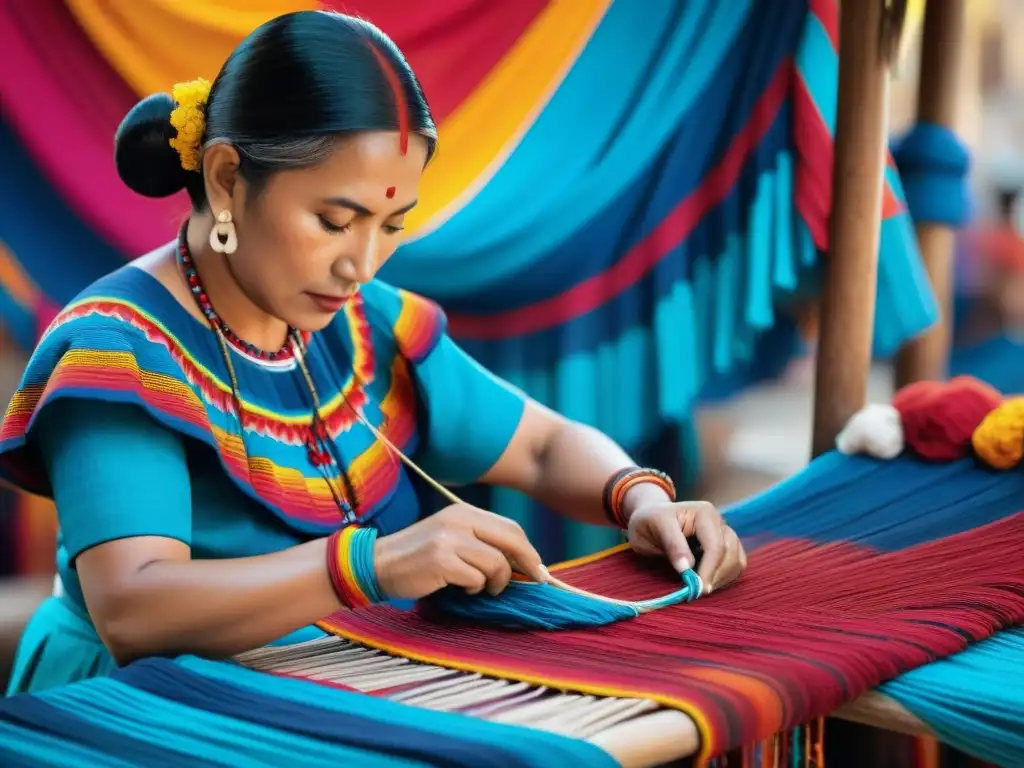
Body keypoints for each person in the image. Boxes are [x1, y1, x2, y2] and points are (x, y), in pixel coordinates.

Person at [0, 10, 746, 696]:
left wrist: (641, 498)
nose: (362, 263)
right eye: (335, 219)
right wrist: (377, 563)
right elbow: (135, 607)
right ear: (228, 177)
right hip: (140, 709)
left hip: (331, 689)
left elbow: (545, 447)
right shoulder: (119, 350)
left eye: (390, 224)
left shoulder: (364, 326)